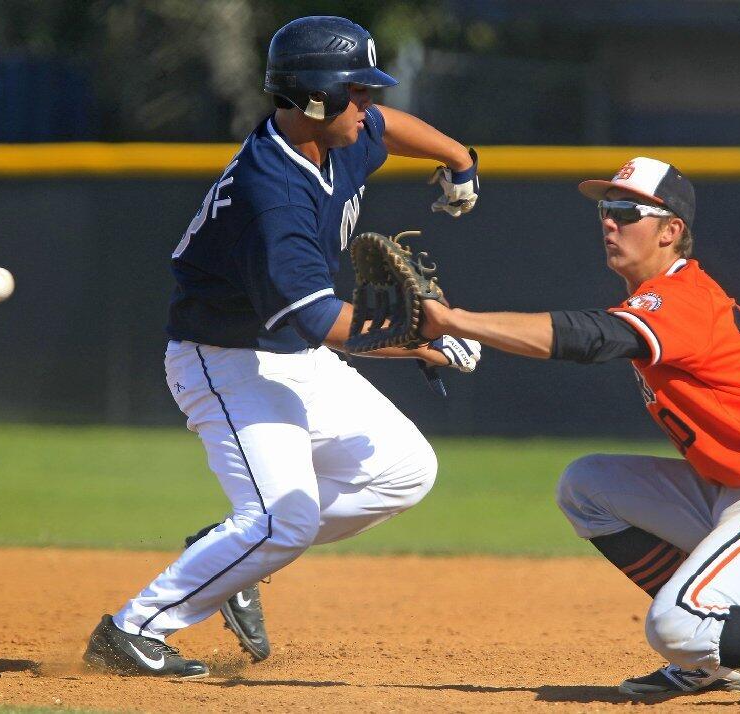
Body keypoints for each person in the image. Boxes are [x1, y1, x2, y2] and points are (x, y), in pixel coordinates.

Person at [418, 156, 740, 705]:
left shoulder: (682, 297)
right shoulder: (657, 298)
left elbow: (591, 338)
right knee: (587, 486)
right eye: (605, 209)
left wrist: (456, 320)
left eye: (626, 210)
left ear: (671, 231)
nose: (609, 221)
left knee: (673, 626)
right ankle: (714, 661)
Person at [83, 15, 481, 678]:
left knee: (406, 470)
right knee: (285, 520)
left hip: (287, 354)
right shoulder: (274, 193)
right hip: (224, 359)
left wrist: (458, 157)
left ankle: (234, 554)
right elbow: (320, 321)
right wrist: (421, 338)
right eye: (357, 91)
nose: (369, 104)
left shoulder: (342, 133)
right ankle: (134, 629)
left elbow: (390, 129)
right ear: (315, 98)